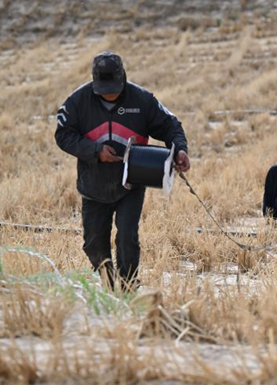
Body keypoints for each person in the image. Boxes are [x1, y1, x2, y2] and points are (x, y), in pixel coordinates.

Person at [55, 51, 190, 292]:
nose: (109, 93)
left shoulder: (143, 100)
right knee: (93, 244)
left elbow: (171, 125)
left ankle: (128, 287)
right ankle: (107, 281)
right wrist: (94, 151)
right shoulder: (77, 101)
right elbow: (63, 135)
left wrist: (179, 149)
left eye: (113, 88)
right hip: (93, 184)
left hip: (131, 182)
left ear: (123, 77)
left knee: (127, 237)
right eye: (103, 88)